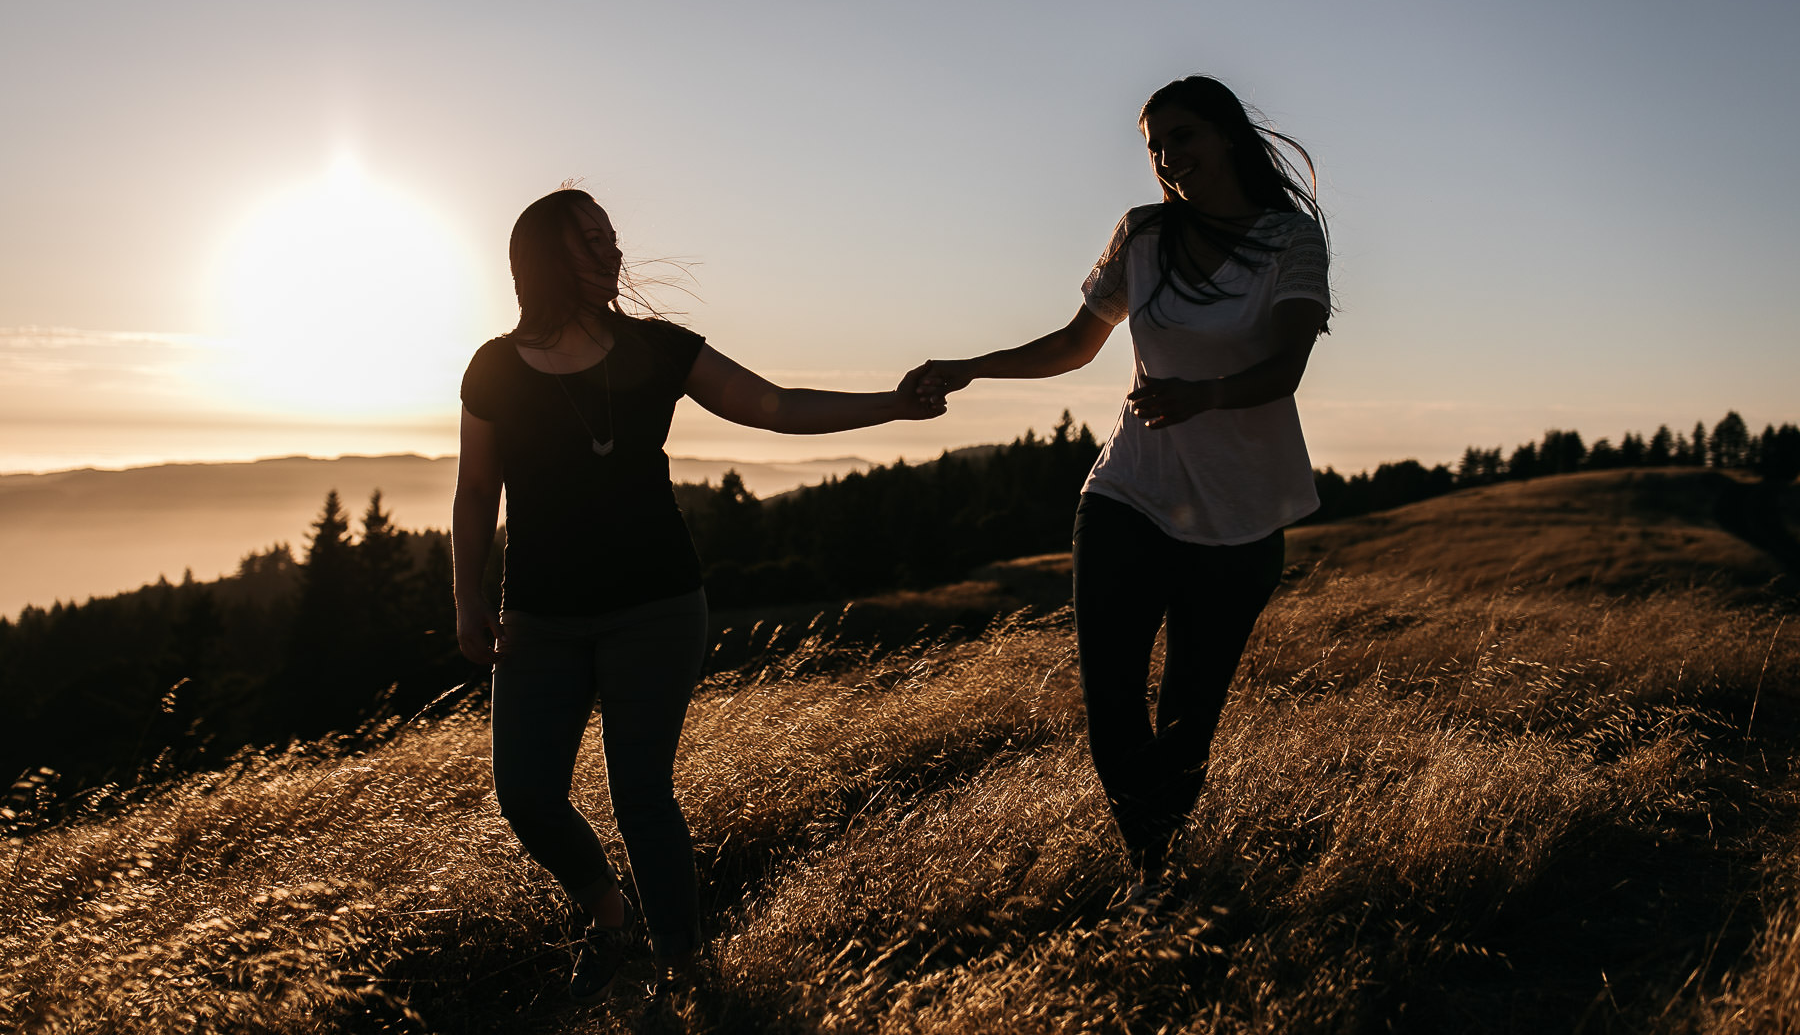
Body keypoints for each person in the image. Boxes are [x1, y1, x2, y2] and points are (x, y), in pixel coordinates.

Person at [453, 188, 943, 1001]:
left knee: (641, 794)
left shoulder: (659, 349)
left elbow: (776, 407)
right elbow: (477, 493)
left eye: (612, 238)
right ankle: (609, 917)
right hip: (538, 614)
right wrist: (468, 598)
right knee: (527, 795)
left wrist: (894, 406)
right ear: (543, 258)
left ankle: (683, 970)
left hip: (656, 606)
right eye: (589, 241)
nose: (611, 253)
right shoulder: (494, 368)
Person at [917, 75, 1331, 903]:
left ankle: (1158, 866)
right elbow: (1078, 344)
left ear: (1225, 134)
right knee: (1110, 701)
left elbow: (1285, 366)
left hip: (1241, 516)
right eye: (1155, 147)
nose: (1169, 160)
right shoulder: (1142, 236)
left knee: (1187, 717)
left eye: (1183, 137)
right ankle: (1152, 867)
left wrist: (1203, 396)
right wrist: (972, 365)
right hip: (1129, 495)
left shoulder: (1290, 241)